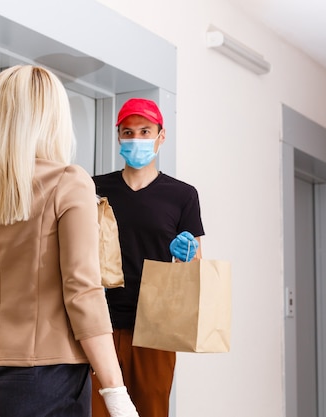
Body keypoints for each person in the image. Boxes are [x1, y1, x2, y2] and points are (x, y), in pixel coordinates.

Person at [0, 65, 138, 417]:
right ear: (53, 117)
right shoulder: (68, 183)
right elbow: (83, 293)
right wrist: (115, 392)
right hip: (47, 380)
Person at [91, 98, 205, 417]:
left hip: (155, 325)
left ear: (161, 135)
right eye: (128, 132)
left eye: (145, 131)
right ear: (118, 137)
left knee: (151, 409)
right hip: (100, 320)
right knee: (95, 410)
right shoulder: (95, 188)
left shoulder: (182, 195)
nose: (136, 139)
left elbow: (194, 267)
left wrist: (187, 254)